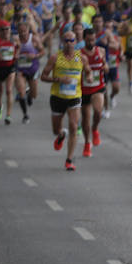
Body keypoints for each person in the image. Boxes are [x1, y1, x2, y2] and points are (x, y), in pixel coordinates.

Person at [40, 30, 88, 171]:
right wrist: (58, 79)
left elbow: (89, 71)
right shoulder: (55, 58)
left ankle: (69, 159)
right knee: (56, 129)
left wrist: (90, 77)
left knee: (74, 126)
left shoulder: (82, 58)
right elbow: (43, 76)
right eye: (66, 41)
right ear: (62, 42)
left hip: (74, 97)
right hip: (57, 97)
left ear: (76, 42)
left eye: (71, 40)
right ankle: (61, 134)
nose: (69, 43)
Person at [79, 27, 108, 157]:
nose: (91, 42)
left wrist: (104, 64)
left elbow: (106, 68)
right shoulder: (79, 55)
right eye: (89, 40)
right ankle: (87, 143)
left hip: (98, 87)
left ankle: (95, 128)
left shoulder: (101, 51)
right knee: (85, 118)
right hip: (84, 89)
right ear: (84, 39)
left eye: (93, 39)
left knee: (98, 111)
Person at [14, 21, 45, 124]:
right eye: (20, 31)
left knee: (34, 95)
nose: (23, 33)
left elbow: (42, 52)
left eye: (25, 31)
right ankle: (25, 115)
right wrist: (15, 55)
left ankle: (29, 94)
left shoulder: (34, 39)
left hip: (33, 70)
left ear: (28, 30)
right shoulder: (16, 40)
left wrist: (35, 56)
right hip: (21, 70)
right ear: (17, 31)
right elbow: (11, 53)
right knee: (20, 93)